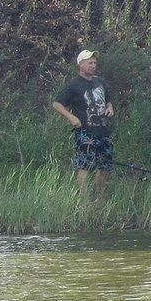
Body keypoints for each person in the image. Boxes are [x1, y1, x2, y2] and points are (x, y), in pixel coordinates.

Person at [51, 50, 115, 198]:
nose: (93, 66)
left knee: (105, 165)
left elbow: (108, 99)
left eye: (94, 63)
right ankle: (83, 199)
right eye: (89, 63)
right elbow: (57, 104)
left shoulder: (100, 82)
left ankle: (101, 197)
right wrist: (70, 117)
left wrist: (109, 107)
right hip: (85, 131)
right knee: (84, 165)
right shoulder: (74, 84)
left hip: (103, 130)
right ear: (81, 64)